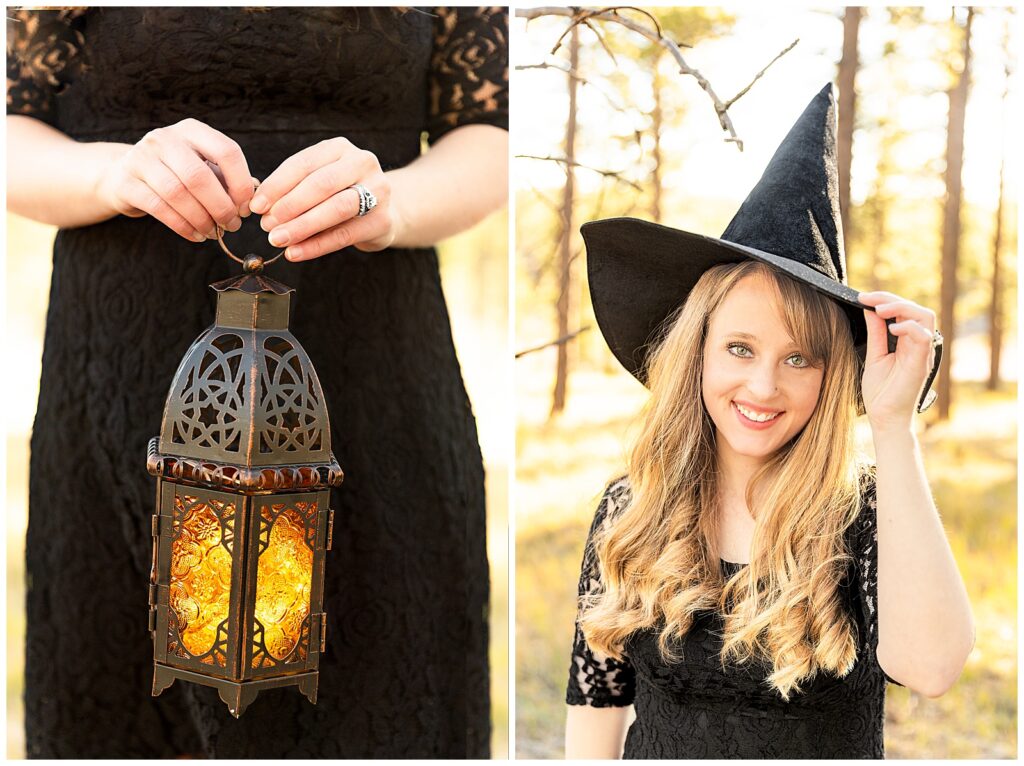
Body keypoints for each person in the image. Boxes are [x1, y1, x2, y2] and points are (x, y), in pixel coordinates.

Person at [7, 7, 507, 758]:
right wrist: (113, 171)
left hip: (376, 372)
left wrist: (392, 201)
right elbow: (13, 133)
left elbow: (491, 136)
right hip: (117, 378)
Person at [564, 85, 973, 759]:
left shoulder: (865, 512)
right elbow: (595, 716)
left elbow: (931, 668)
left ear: (833, 375)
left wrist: (895, 427)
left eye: (798, 358)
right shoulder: (633, 506)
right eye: (739, 348)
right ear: (695, 350)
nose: (763, 386)